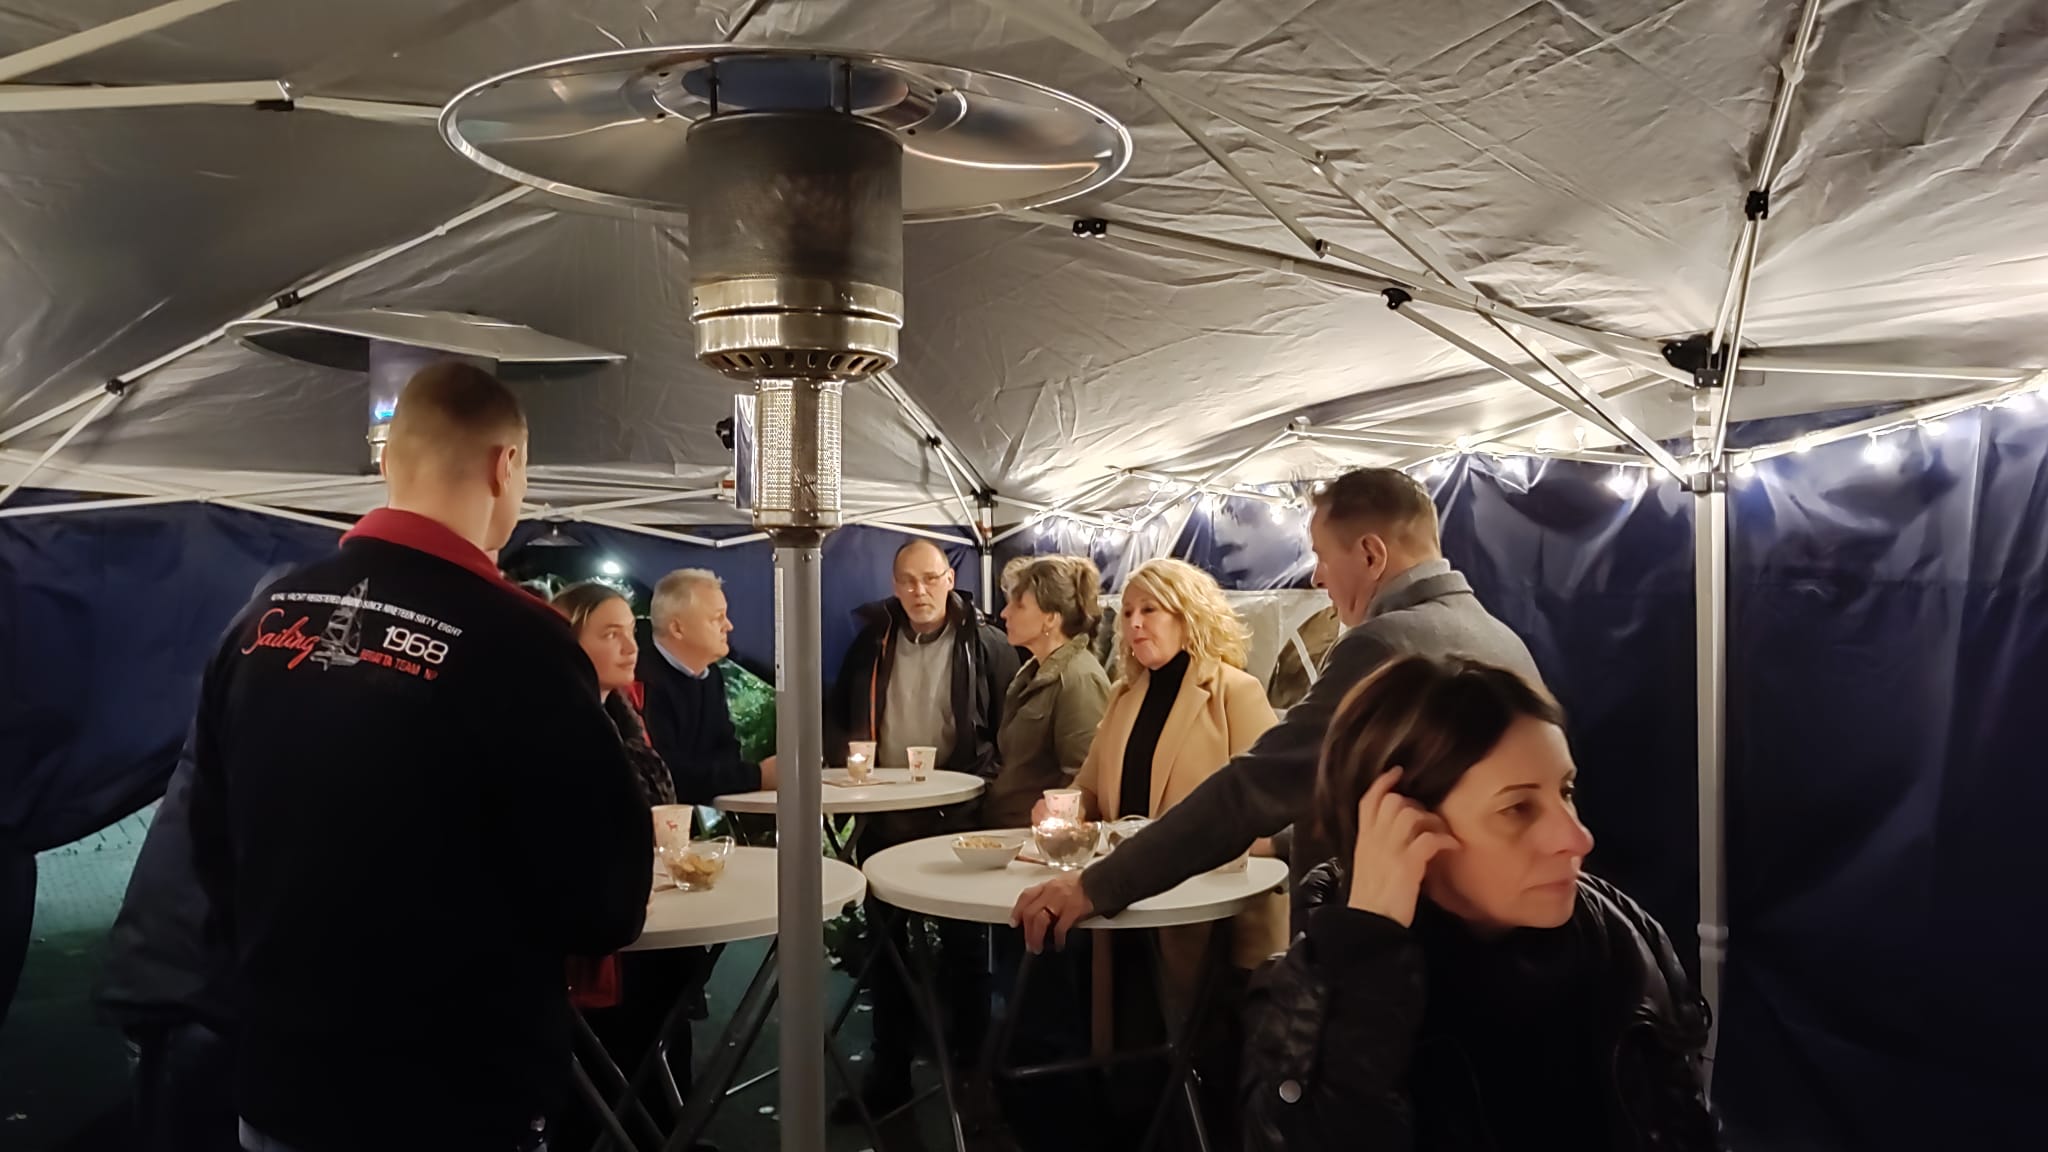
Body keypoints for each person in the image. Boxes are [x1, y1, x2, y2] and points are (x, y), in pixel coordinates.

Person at [185, 362, 652, 1151]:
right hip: (451, 1094)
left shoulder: (265, 615)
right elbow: (603, 900)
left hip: (283, 1079)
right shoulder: (522, 642)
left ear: (388, 463)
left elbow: (208, 841)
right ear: (507, 465)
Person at [1012, 467, 1541, 950]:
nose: (1316, 578)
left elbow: (1253, 790)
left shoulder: (1384, 645)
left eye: (1321, 556)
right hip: (1497, 940)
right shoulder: (1503, 639)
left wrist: (1095, 886)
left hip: (1406, 951)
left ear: (1370, 555)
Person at [1241, 655, 1717, 1151]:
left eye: (1566, 790)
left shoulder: (1621, 939)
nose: (1578, 838)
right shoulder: (1310, 1002)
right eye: (1518, 808)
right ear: (1403, 826)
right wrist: (1366, 957)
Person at [1065, 559, 1283, 1149]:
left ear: (1188, 616)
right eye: (1126, 613)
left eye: (1149, 610)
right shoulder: (1123, 697)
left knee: (1201, 1054)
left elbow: (1271, 808)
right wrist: (1060, 809)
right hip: (1128, 904)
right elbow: (1087, 789)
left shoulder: (1234, 692)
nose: (1134, 623)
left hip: (1210, 917)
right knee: (1136, 1048)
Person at [826, 538, 1021, 1120]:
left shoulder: (986, 642)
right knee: (886, 951)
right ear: (894, 585)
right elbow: (841, 713)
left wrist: (991, 790)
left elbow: (1011, 723)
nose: (919, 591)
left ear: (949, 579)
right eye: (908, 580)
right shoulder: (872, 641)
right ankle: (889, 1075)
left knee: (966, 952)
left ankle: (971, 1078)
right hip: (886, 817)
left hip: (958, 818)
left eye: (930, 578)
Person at [551, 582, 718, 1152]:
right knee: (618, 1044)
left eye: (631, 631)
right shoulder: (559, 728)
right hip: (596, 932)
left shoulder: (625, 718)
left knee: (667, 1021)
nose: (630, 647)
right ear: (568, 643)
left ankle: (671, 1134)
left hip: (648, 909)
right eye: (610, 634)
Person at [985, 555, 1111, 827]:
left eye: (1019, 605)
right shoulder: (1032, 672)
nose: (1005, 613)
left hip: (1036, 836)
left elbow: (1084, 781)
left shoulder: (1079, 679)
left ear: (1050, 618)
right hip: (1010, 828)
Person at [637, 568, 777, 803]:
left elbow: (726, 753)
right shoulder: (641, 682)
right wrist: (757, 776)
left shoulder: (710, 676)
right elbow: (666, 775)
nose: (729, 626)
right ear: (677, 628)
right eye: (717, 618)